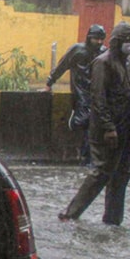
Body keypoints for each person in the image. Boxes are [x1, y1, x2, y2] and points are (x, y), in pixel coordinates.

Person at [59, 21, 130, 225]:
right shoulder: (103, 63)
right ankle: (70, 214)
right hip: (106, 128)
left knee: (122, 174)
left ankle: (113, 219)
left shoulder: (129, 63)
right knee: (101, 172)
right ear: (118, 42)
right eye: (128, 41)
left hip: (128, 128)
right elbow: (98, 99)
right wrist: (109, 128)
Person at [42, 23, 106, 167]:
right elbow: (61, 66)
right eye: (96, 39)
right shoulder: (77, 50)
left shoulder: (103, 53)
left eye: (101, 39)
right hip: (81, 93)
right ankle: (86, 157)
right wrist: (49, 83)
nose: (99, 42)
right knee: (84, 123)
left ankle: (88, 158)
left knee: (95, 125)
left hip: (97, 93)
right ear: (89, 38)